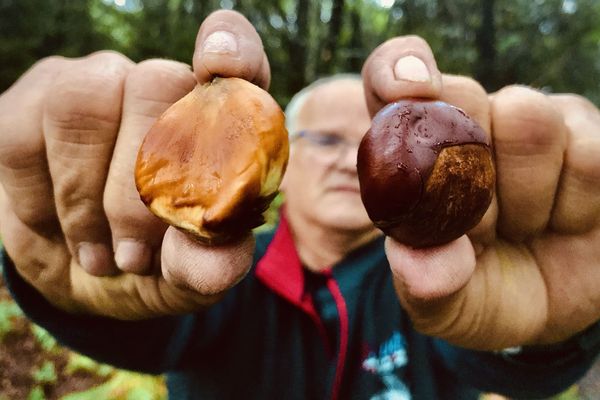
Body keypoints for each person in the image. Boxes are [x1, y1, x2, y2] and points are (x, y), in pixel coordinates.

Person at [1, 9, 599, 400]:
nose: (347, 160)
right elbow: (140, 328)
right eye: (326, 140)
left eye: (368, 145)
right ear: (278, 160)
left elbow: (493, 359)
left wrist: (548, 328)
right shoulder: (224, 286)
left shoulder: (434, 289)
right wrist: (64, 269)